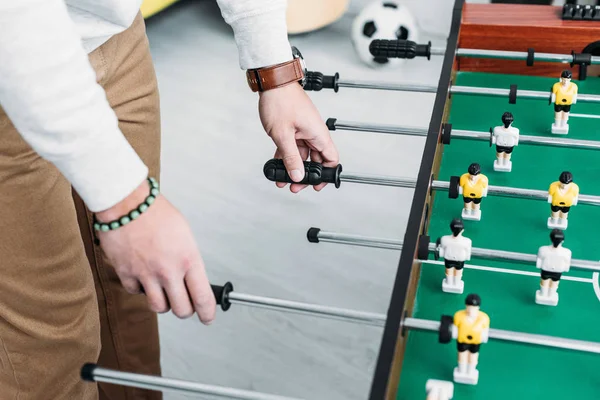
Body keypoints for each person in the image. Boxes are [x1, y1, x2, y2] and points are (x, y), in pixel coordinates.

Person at [0, 1, 339, 399]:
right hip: (13, 55)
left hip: (114, 34)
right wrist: (125, 202)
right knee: (50, 342)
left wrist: (276, 72)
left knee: (130, 291)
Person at [452, 294, 489, 385]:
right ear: (466, 306)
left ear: (478, 307)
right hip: (462, 341)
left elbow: (485, 332)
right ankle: (461, 370)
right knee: (462, 355)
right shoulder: (459, 316)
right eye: (469, 307)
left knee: (473, 357)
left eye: (473, 307)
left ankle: (470, 371)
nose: (471, 310)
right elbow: (454, 329)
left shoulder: (484, 318)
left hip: (475, 342)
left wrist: (483, 336)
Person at [535, 229, 571, 306]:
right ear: (563, 241)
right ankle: (551, 295)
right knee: (554, 283)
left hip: (545, 271)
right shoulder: (567, 252)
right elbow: (567, 267)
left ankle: (542, 294)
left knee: (544, 282)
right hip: (558, 272)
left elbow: (538, 263)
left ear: (551, 239)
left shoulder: (542, 249)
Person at [437, 218, 471, 294]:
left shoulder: (444, 239)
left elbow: (441, 251)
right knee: (458, 273)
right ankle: (456, 284)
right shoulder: (467, 241)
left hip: (448, 260)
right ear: (462, 230)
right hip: (460, 261)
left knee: (449, 272)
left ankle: (449, 283)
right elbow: (468, 255)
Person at [550, 69, 578, 134]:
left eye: (567, 80)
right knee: (558, 114)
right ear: (561, 79)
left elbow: (575, 96)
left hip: (567, 103)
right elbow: (553, 95)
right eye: (564, 80)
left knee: (565, 114)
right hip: (558, 103)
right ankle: (557, 125)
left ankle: (563, 125)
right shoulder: (556, 86)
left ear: (570, 80)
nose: (565, 82)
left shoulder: (574, 87)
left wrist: (574, 99)